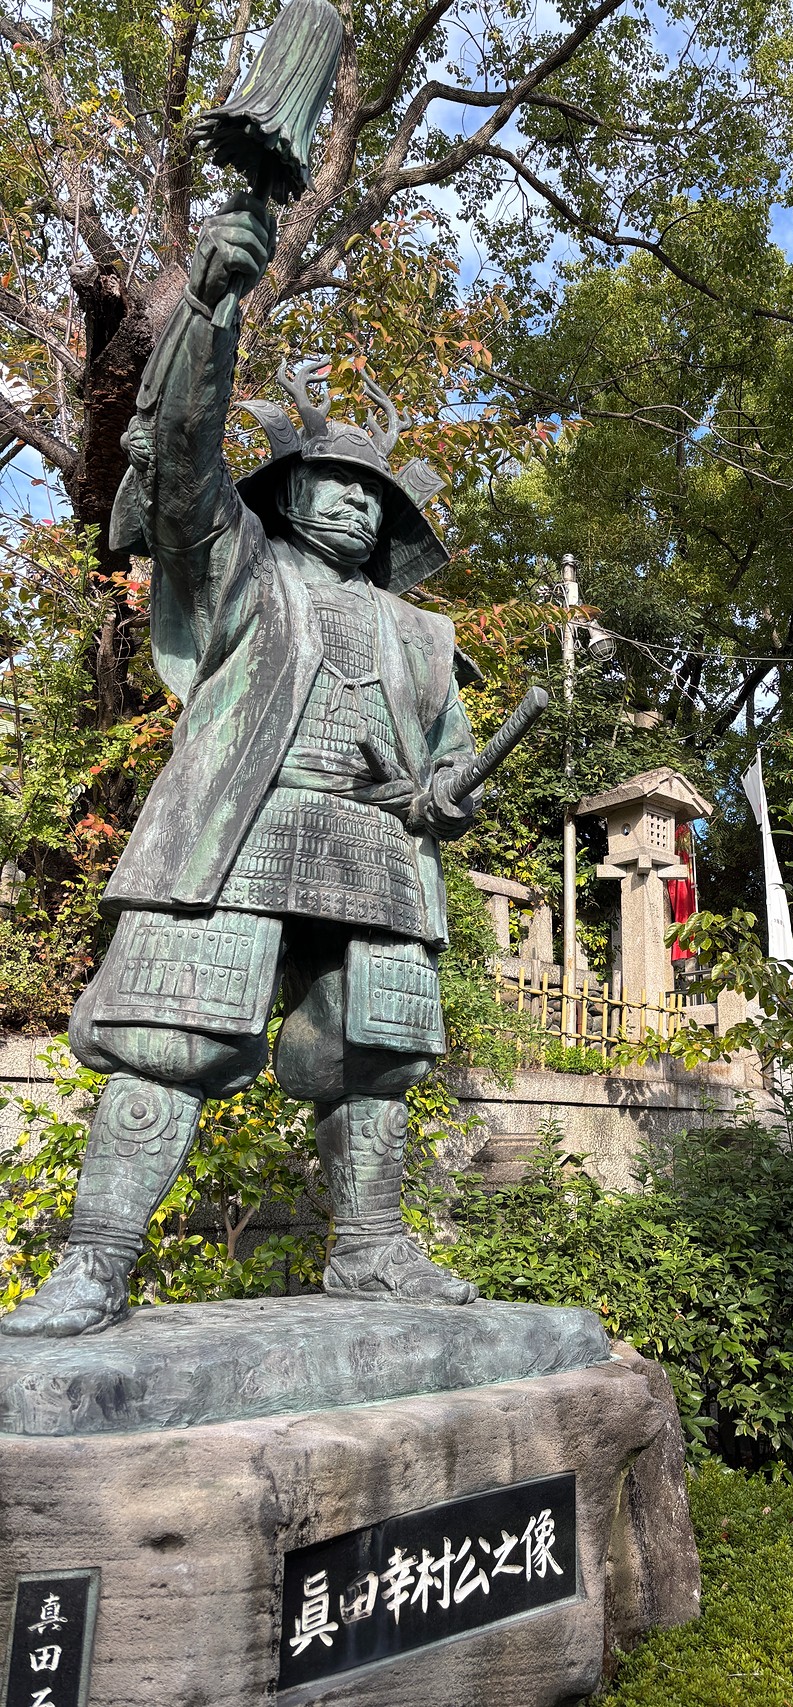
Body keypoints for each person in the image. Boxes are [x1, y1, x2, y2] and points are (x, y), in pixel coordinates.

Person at [3, 195, 483, 1337]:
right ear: (287, 488)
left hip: (373, 849)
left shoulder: (424, 635)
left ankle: (369, 1251)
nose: (357, 503)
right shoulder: (237, 566)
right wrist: (213, 307)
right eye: (338, 480)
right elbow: (179, 461)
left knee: (373, 1057)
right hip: (241, 823)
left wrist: (447, 794)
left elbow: (452, 754)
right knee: (173, 1039)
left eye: (378, 493)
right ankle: (95, 1264)